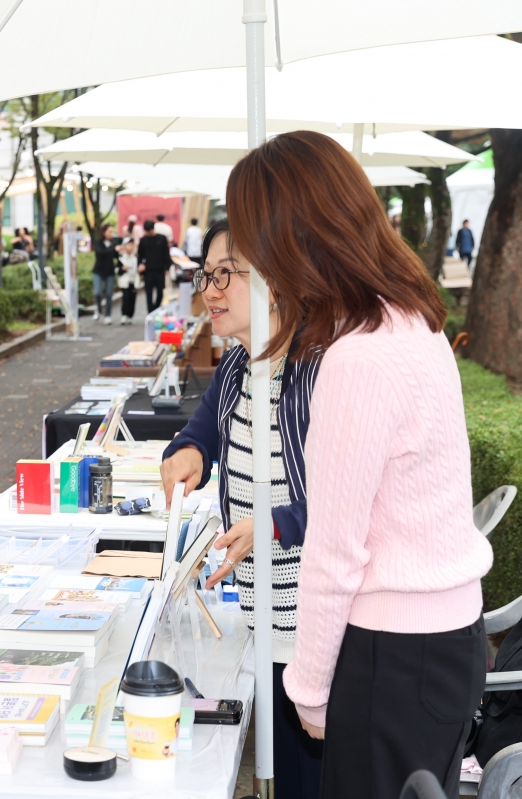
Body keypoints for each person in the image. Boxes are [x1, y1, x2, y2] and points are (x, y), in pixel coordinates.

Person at [230, 130, 493, 799]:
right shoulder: (410, 316)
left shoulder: (358, 356)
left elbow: (335, 547)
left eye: (254, 244)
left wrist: (309, 689)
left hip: (393, 653)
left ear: (290, 238)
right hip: (445, 639)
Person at [160, 219, 323, 799]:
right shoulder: (234, 368)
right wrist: (185, 453)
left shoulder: (319, 368)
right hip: (263, 623)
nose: (210, 289)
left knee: (316, 778)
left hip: (322, 630)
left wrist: (276, 524)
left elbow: (350, 502)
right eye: (206, 275)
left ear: (276, 279)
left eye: (226, 274)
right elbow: (195, 435)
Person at [137, 219, 171, 313]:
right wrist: (140, 264)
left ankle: (156, 308)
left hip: (160, 270)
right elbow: (140, 255)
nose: (149, 233)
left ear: (153, 228)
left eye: (150, 230)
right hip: (148, 271)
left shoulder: (162, 238)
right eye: (147, 231)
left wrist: (167, 267)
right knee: (149, 293)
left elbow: (166, 254)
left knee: (160, 292)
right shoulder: (143, 240)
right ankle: (150, 312)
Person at [91, 223, 120, 324]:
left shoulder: (114, 243)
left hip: (110, 272)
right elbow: (100, 253)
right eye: (109, 231)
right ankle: (99, 309)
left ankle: (108, 315)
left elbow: (117, 257)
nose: (111, 234)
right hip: (98, 271)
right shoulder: (98, 242)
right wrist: (113, 249)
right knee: (97, 293)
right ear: (103, 232)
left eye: (112, 231)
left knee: (109, 295)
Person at [117, 238, 141, 324]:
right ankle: (124, 315)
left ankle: (130, 315)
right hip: (124, 282)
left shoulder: (135, 258)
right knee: (125, 298)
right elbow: (117, 271)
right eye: (128, 245)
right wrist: (122, 269)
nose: (130, 247)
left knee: (132, 299)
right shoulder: (121, 258)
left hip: (134, 281)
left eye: (132, 245)